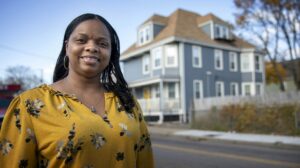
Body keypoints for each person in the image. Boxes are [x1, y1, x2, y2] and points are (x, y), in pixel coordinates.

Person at [0, 13, 154, 168]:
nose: (92, 47)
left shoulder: (127, 102)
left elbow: (145, 161)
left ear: (110, 53)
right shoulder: (29, 105)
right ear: (67, 47)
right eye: (81, 40)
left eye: (103, 44)